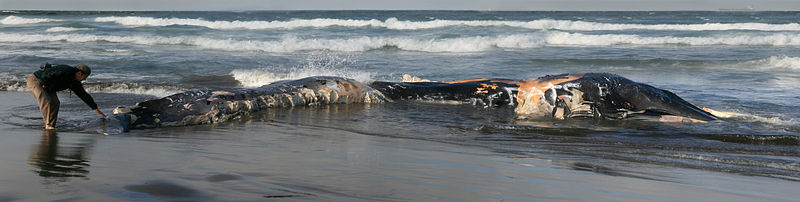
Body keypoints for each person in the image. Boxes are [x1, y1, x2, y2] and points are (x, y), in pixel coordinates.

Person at [26, 63, 106, 130]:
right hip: (36, 80)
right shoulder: (66, 71)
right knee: (45, 100)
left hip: (48, 85)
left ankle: (52, 125)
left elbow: (84, 95)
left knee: (56, 103)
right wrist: (44, 83)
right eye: (84, 77)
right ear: (79, 73)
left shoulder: (75, 83)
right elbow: (47, 73)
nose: (83, 80)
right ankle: (48, 124)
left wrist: (95, 108)